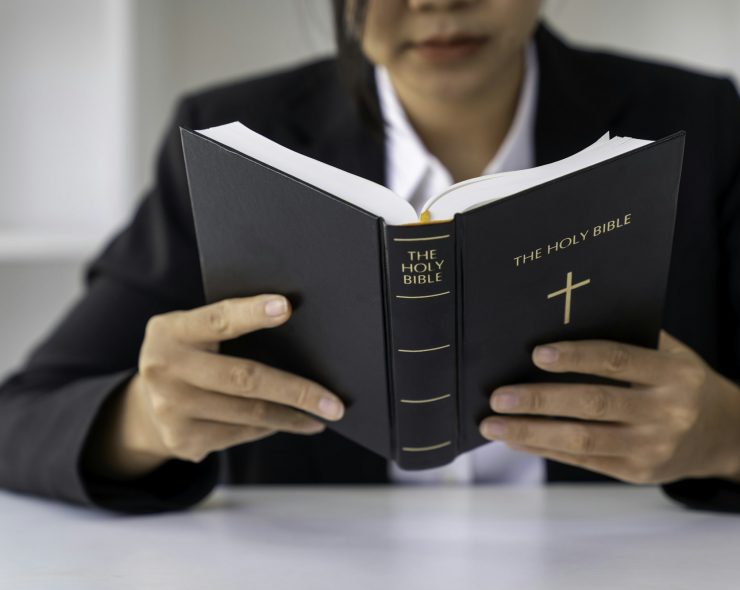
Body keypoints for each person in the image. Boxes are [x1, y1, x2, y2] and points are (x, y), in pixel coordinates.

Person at [1, 0, 739, 514]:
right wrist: (146, 420)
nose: (437, 0)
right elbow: (20, 420)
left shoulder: (701, 121)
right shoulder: (229, 140)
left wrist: (722, 437)